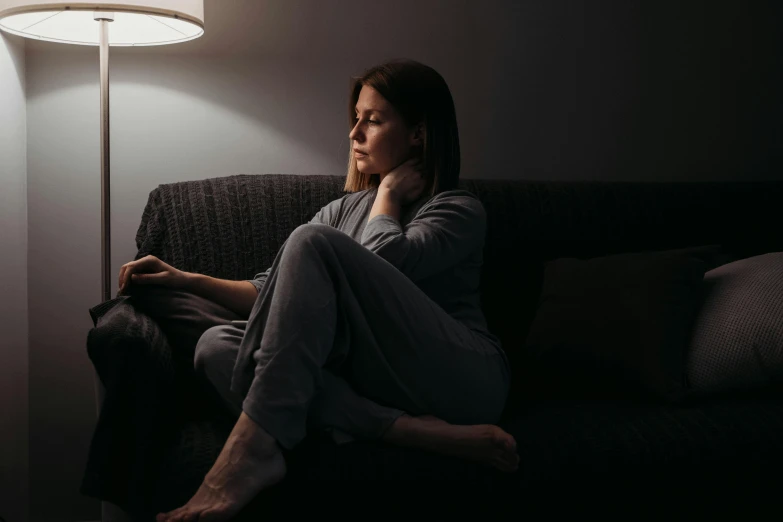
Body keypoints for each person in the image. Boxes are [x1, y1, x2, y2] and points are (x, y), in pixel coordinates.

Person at [118, 59, 517, 522]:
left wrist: (386, 192)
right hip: (376, 381)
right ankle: (407, 431)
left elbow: (385, 258)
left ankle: (253, 448)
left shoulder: (457, 209)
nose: (354, 133)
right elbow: (275, 292)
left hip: (461, 377)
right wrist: (184, 279)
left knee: (310, 243)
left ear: (418, 135)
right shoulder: (339, 211)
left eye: (373, 120)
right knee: (217, 346)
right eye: (356, 119)